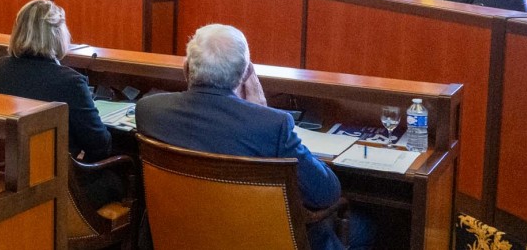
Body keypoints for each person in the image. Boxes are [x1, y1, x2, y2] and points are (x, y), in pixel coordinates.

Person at [137, 24, 371, 250]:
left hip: (181, 237)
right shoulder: (272, 125)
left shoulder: (149, 111)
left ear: (186, 68)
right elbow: (326, 194)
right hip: (257, 241)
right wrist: (261, 110)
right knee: (365, 228)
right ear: (247, 73)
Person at [0, 0, 119, 207]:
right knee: (129, 176)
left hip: (14, 178)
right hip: (64, 189)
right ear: (58, 34)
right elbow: (100, 145)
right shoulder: (70, 81)